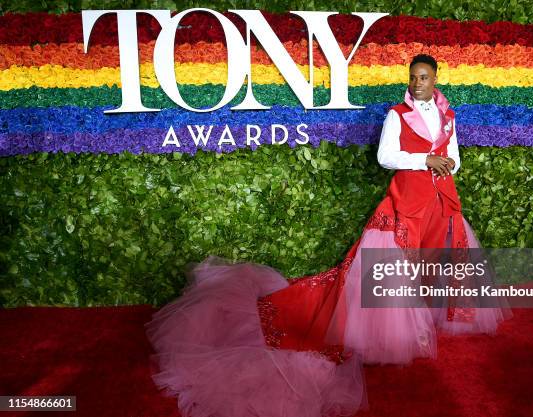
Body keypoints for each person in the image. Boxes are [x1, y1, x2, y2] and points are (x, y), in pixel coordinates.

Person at [145, 54, 511, 417]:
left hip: (440, 198)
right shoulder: (396, 115)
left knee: (436, 256)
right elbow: (386, 156)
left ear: (436, 79)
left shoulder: (448, 115)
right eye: (414, 78)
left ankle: (427, 313)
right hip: (406, 200)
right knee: (396, 261)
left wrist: (448, 162)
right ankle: (398, 330)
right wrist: (424, 160)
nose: (418, 84)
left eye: (425, 78)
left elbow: (456, 154)